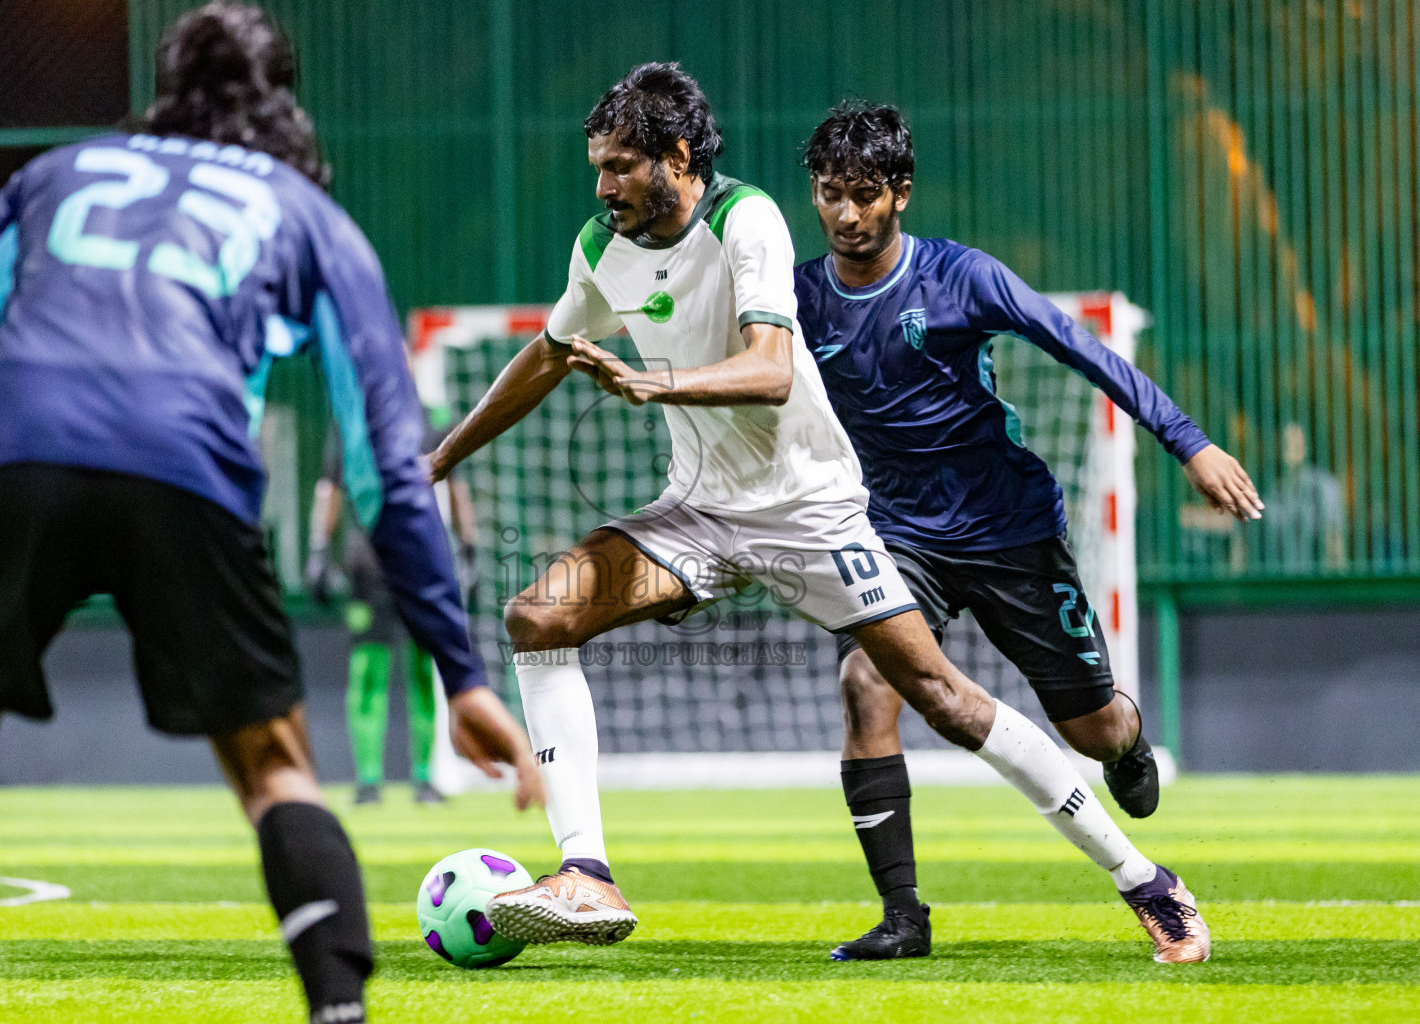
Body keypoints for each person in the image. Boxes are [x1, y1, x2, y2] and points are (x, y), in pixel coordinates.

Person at [430, 63, 1201, 963]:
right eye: (598, 167)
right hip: (701, 510)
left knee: (945, 700)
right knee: (538, 615)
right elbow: (551, 351)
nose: (603, 186)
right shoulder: (601, 247)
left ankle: (1145, 880)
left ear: (678, 158)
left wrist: (655, 382)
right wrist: (436, 461)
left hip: (810, 512)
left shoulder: (744, 218)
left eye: (621, 166)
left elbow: (773, 368)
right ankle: (587, 874)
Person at [0, 6, 541, 1023]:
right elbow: (385, 470)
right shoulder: (311, 217)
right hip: (184, 454)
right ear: (284, 101)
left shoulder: (57, 175)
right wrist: (459, 670)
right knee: (277, 769)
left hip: (9, 446)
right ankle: (336, 1007)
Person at [793, 101, 1257, 963]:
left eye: (863, 194)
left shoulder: (961, 277)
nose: (846, 214)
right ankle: (903, 918)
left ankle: (1127, 739)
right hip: (896, 536)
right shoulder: (797, 296)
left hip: (1010, 531)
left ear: (900, 193)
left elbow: (1085, 350)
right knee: (866, 683)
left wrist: (1190, 444)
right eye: (829, 194)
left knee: (1090, 731)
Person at [308, 408, 479, 805]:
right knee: (369, 672)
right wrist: (318, 549)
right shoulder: (350, 425)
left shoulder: (433, 421)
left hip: (423, 566)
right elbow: (327, 487)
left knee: (424, 671)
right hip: (368, 569)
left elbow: (457, 486)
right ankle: (368, 781)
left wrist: (468, 546)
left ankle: (424, 779)